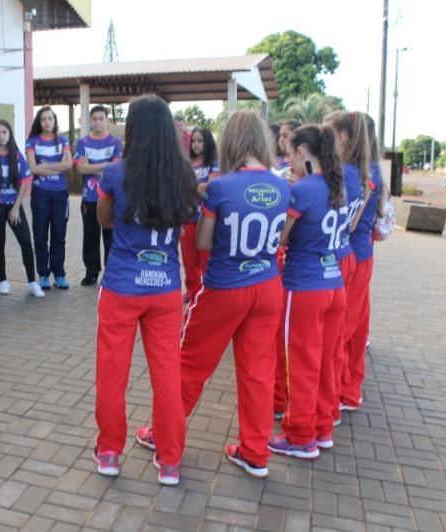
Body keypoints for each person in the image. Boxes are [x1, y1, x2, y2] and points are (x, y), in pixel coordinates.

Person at [136, 111, 290, 478]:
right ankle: (255, 452)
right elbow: (282, 239)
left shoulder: (221, 187)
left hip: (224, 286)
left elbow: (203, 241)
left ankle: (162, 435)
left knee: (188, 364)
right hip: (268, 285)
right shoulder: (284, 186)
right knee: (258, 371)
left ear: (231, 140)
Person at [93, 95, 197, 486]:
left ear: (133, 129)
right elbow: (187, 223)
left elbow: (104, 219)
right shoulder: (184, 176)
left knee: (112, 371)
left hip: (122, 286)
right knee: (167, 374)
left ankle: (109, 452)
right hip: (165, 288)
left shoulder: (115, 173)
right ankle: (169, 460)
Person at [267, 124, 346, 459]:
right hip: (334, 283)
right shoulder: (336, 185)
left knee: (300, 362)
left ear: (301, 152)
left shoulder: (303, 190)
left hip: (304, 286)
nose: (288, 161)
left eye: (290, 154)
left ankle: (300, 435)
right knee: (325, 361)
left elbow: (281, 237)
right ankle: (323, 427)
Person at [324, 110, 371, 424]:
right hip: (353, 255)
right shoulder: (361, 173)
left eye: (326, 132)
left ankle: (331, 404)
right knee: (344, 332)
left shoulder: (339, 175)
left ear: (341, 137)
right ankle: (339, 397)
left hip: (338, 260)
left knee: (334, 337)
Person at [340, 114, 382, 410]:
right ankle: (349, 389)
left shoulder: (354, 172)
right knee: (355, 325)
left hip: (353, 255)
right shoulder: (372, 169)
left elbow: (350, 222)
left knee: (344, 328)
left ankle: (343, 392)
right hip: (363, 253)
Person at [0, 119, 45, 298]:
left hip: (13, 205)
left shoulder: (18, 155)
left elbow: (23, 183)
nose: (1, 136)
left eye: (4, 132)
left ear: (9, 134)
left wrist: (15, 208)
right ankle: (3, 281)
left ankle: (32, 282)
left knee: (26, 241)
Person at [74, 105, 123, 286]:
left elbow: (116, 168)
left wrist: (92, 166)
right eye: (94, 119)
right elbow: (80, 168)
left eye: (101, 118)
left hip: (111, 196)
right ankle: (91, 272)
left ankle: (110, 273)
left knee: (110, 236)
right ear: (90, 121)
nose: (98, 122)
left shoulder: (116, 142)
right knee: (90, 236)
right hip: (89, 197)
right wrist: (105, 165)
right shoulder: (82, 142)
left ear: (107, 120)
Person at [25, 107, 72, 290]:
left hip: (60, 193)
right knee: (40, 234)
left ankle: (59, 274)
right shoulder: (32, 142)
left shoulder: (63, 140)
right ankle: (43, 275)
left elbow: (69, 164)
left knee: (59, 234)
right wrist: (57, 166)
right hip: (40, 193)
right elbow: (33, 169)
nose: (47, 122)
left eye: (50, 118)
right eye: (43, 119)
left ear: (54, 120)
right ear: (39, 121)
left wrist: (47, 165)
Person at [181, 127, 219, 303]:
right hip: (187, 216)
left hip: (207, 217)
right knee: (189, 258)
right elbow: (180, 186)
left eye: (200, 141)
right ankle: (192, 289)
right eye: (193, 141)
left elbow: (210, 188)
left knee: (205, 257)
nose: (196, 145)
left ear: (207, 142)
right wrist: (198, 186)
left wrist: (191, 185)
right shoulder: (186, 163)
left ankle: (206, 290)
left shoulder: (214, 162)